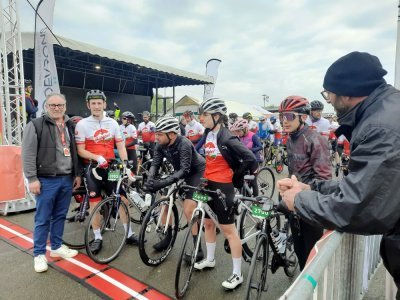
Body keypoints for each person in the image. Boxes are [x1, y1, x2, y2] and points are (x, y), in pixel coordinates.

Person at [277, 51, 400, 296]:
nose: (328, 100)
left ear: (347, 92)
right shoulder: (384, 111)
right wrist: (311, 189)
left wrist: (299, 200)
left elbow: (359, 207)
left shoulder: (379, 127)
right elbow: (361, 183)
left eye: (329, 94)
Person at [195, 97, 258, 290]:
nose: (201, 118)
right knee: (207, 223)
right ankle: (210, 259)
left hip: (223, 187)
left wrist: (236, 177)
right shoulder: (208, 133)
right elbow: (197, 151)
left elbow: (251, 159)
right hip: (208, 184)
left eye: (204, 115)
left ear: (216, 116)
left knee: (229, 231)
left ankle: (237, 274)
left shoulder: (227, 137)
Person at [22, 93, 81, 273]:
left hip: (66, 178)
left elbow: (74, 150)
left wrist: (76, 174)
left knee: (60, 215)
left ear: (65, 106)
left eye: (60, 105)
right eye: (53, 105)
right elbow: (28, 154)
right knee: (42, 219)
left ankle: (56, 247)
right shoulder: (35, 125)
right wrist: (32, 178)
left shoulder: (70, 125)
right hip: (46, 179)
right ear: (46, 106)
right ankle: (39, 254)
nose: (57, 108)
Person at [75, 90, 138, 253]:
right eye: (93, 103)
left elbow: (121, 146)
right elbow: (80, 150)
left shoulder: (113, 123)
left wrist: (126, 165)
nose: (96, 106)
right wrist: (96, 157)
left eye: (99, 103)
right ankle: (97, 237)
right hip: (93, 167)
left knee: (122, 199)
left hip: (111, 167)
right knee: (94, 203)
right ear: (88, 105)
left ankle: (129, 234)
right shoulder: (82, 124)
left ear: (104, 104)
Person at [278, 95, 331, 270]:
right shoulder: (291, 138)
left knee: (311, 257)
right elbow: (294, 171)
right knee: (300, 252)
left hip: (310, 206)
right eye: (281, 116)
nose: (284, 121)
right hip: (295, 202)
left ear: (303, 117)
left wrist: (306, 196)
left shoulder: (315, 139)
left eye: (289, 116)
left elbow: (324, 180)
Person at [143, 115, 206, 260]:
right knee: (165, 202)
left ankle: (198, 248)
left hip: (196, 172)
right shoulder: (160, 145)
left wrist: (162, 183)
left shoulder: (184, 143)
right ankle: (168, 237)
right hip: (180, 172)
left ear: (171, 134)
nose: (156, 138)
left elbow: (185, 170)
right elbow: (155, 164)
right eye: (155, 134)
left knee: (189, 209)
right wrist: (151, 180)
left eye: (159, 134)